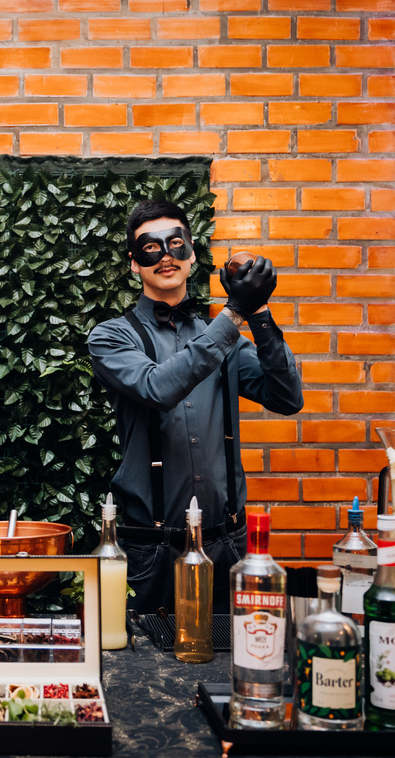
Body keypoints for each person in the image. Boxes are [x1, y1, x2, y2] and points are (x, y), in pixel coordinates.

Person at [87, 199, 304, 613]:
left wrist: (258, 312)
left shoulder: (222, 336)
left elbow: (287, 397)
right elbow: (157, 387)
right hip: (151, 550)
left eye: (176, 243)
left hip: (228, 545)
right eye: (150, 247)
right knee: (144, 653)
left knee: (234, 650)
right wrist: (234, 313)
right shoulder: (111, 337)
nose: (165, 255)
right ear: (134, 263)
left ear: (191, 255)